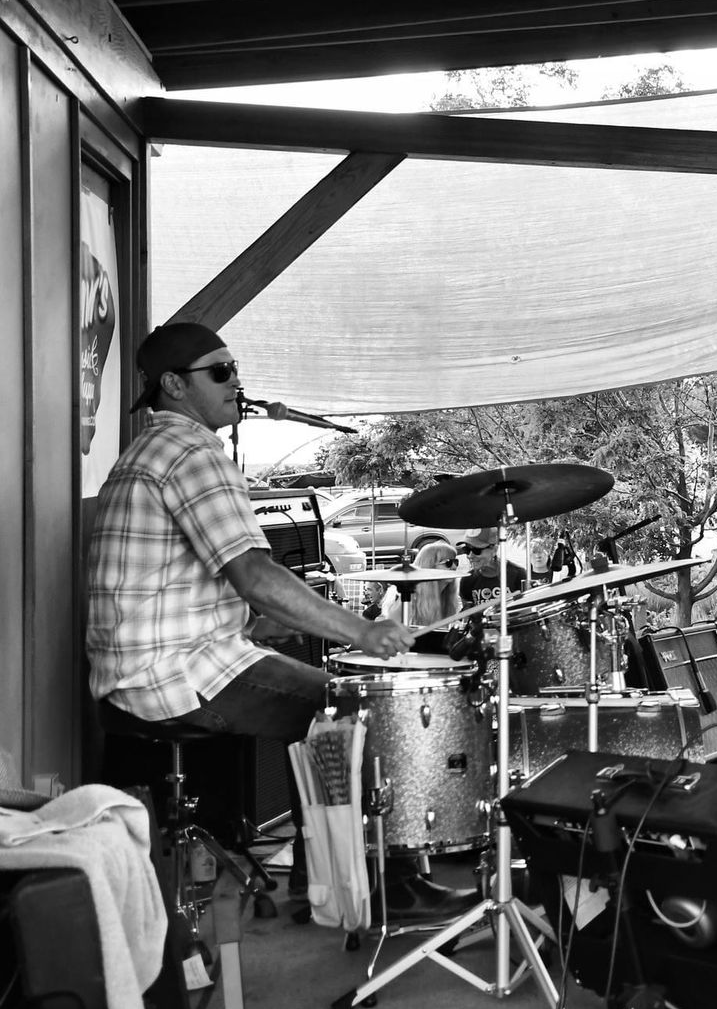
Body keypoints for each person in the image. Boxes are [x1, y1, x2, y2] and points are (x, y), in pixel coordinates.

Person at [87, 323, 469, 919]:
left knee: (322, 704)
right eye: (220, 372)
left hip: (136, 671)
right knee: (349, 709)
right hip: (171, 676)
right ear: (173, 386)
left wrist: (252, 626)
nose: (235, 383)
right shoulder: (192, 454)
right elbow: (255, 576)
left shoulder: (146, 452)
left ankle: (324, 879)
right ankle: (372, 888)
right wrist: (362, 630)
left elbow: (167, 590)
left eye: (235, 369)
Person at [378, 540, 460, 654]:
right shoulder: (408, 597)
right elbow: (389, 634)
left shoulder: (449, 600)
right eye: (448, 563)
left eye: (456, 561)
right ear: (430, 566)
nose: (454, 566)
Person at [457, 526, 527, 609]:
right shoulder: (467, 580)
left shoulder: (518, 574)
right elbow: (467, 614)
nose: (470, 556)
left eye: (476, 550)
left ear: (494, 550)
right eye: (467, 550)